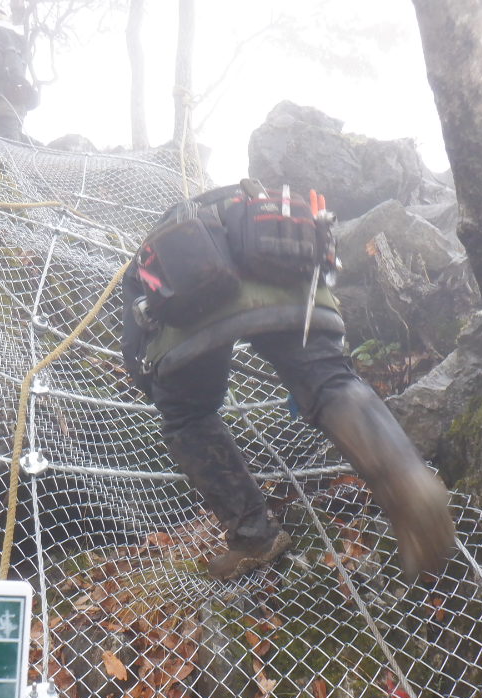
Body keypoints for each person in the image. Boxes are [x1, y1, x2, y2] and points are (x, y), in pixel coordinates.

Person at [122, 181, 456, 581]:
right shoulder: (256, 208)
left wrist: (164, 393)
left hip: (193, 288)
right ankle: (409, 482)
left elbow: (138, 352)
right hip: (286, 269)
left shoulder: (154, 253)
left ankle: (254, 537)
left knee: (186, 417)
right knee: (329, 378)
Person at [0, 8, 38, 142]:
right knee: (13, 136)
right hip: (19, 99)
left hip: (4, 98)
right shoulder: (17, 36)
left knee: (4, 144)